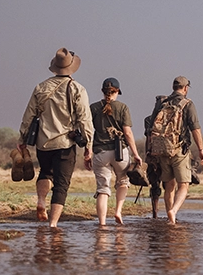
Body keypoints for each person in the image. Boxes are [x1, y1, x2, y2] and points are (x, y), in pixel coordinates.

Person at [20, 47, 94, 229]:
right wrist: (89, 145)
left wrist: (22, 139)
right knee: (61, 185)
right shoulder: (77, 88)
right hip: (65, 142)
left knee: (45, 172)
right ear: (71, 68)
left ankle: (41, 200)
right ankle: (53, 224)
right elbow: (85, 119)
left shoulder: (40, 87)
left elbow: (28, 115)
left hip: (43, 142)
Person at [148, 76, 203, 224]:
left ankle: (171, 219)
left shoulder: (161, 102)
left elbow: (151, 126)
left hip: (161, 150)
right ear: (185, 88)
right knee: (184, 184)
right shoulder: (188, 104)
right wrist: (201, 150)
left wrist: (151, 150)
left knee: (169, 185)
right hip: (179, 150)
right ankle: (173, 211)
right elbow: (195, 129)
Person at [89, 77, 142, 225]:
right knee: (123, 181)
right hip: (120, 152)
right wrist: (136, 154)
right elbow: (128, 133)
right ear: (117, 91)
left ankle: (102, 223)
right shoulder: (123, 107)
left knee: (102, 189)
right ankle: (118, 211)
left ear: (102, 91)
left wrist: (88, 152)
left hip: (100, 152)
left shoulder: (93, 108)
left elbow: (86, 130)